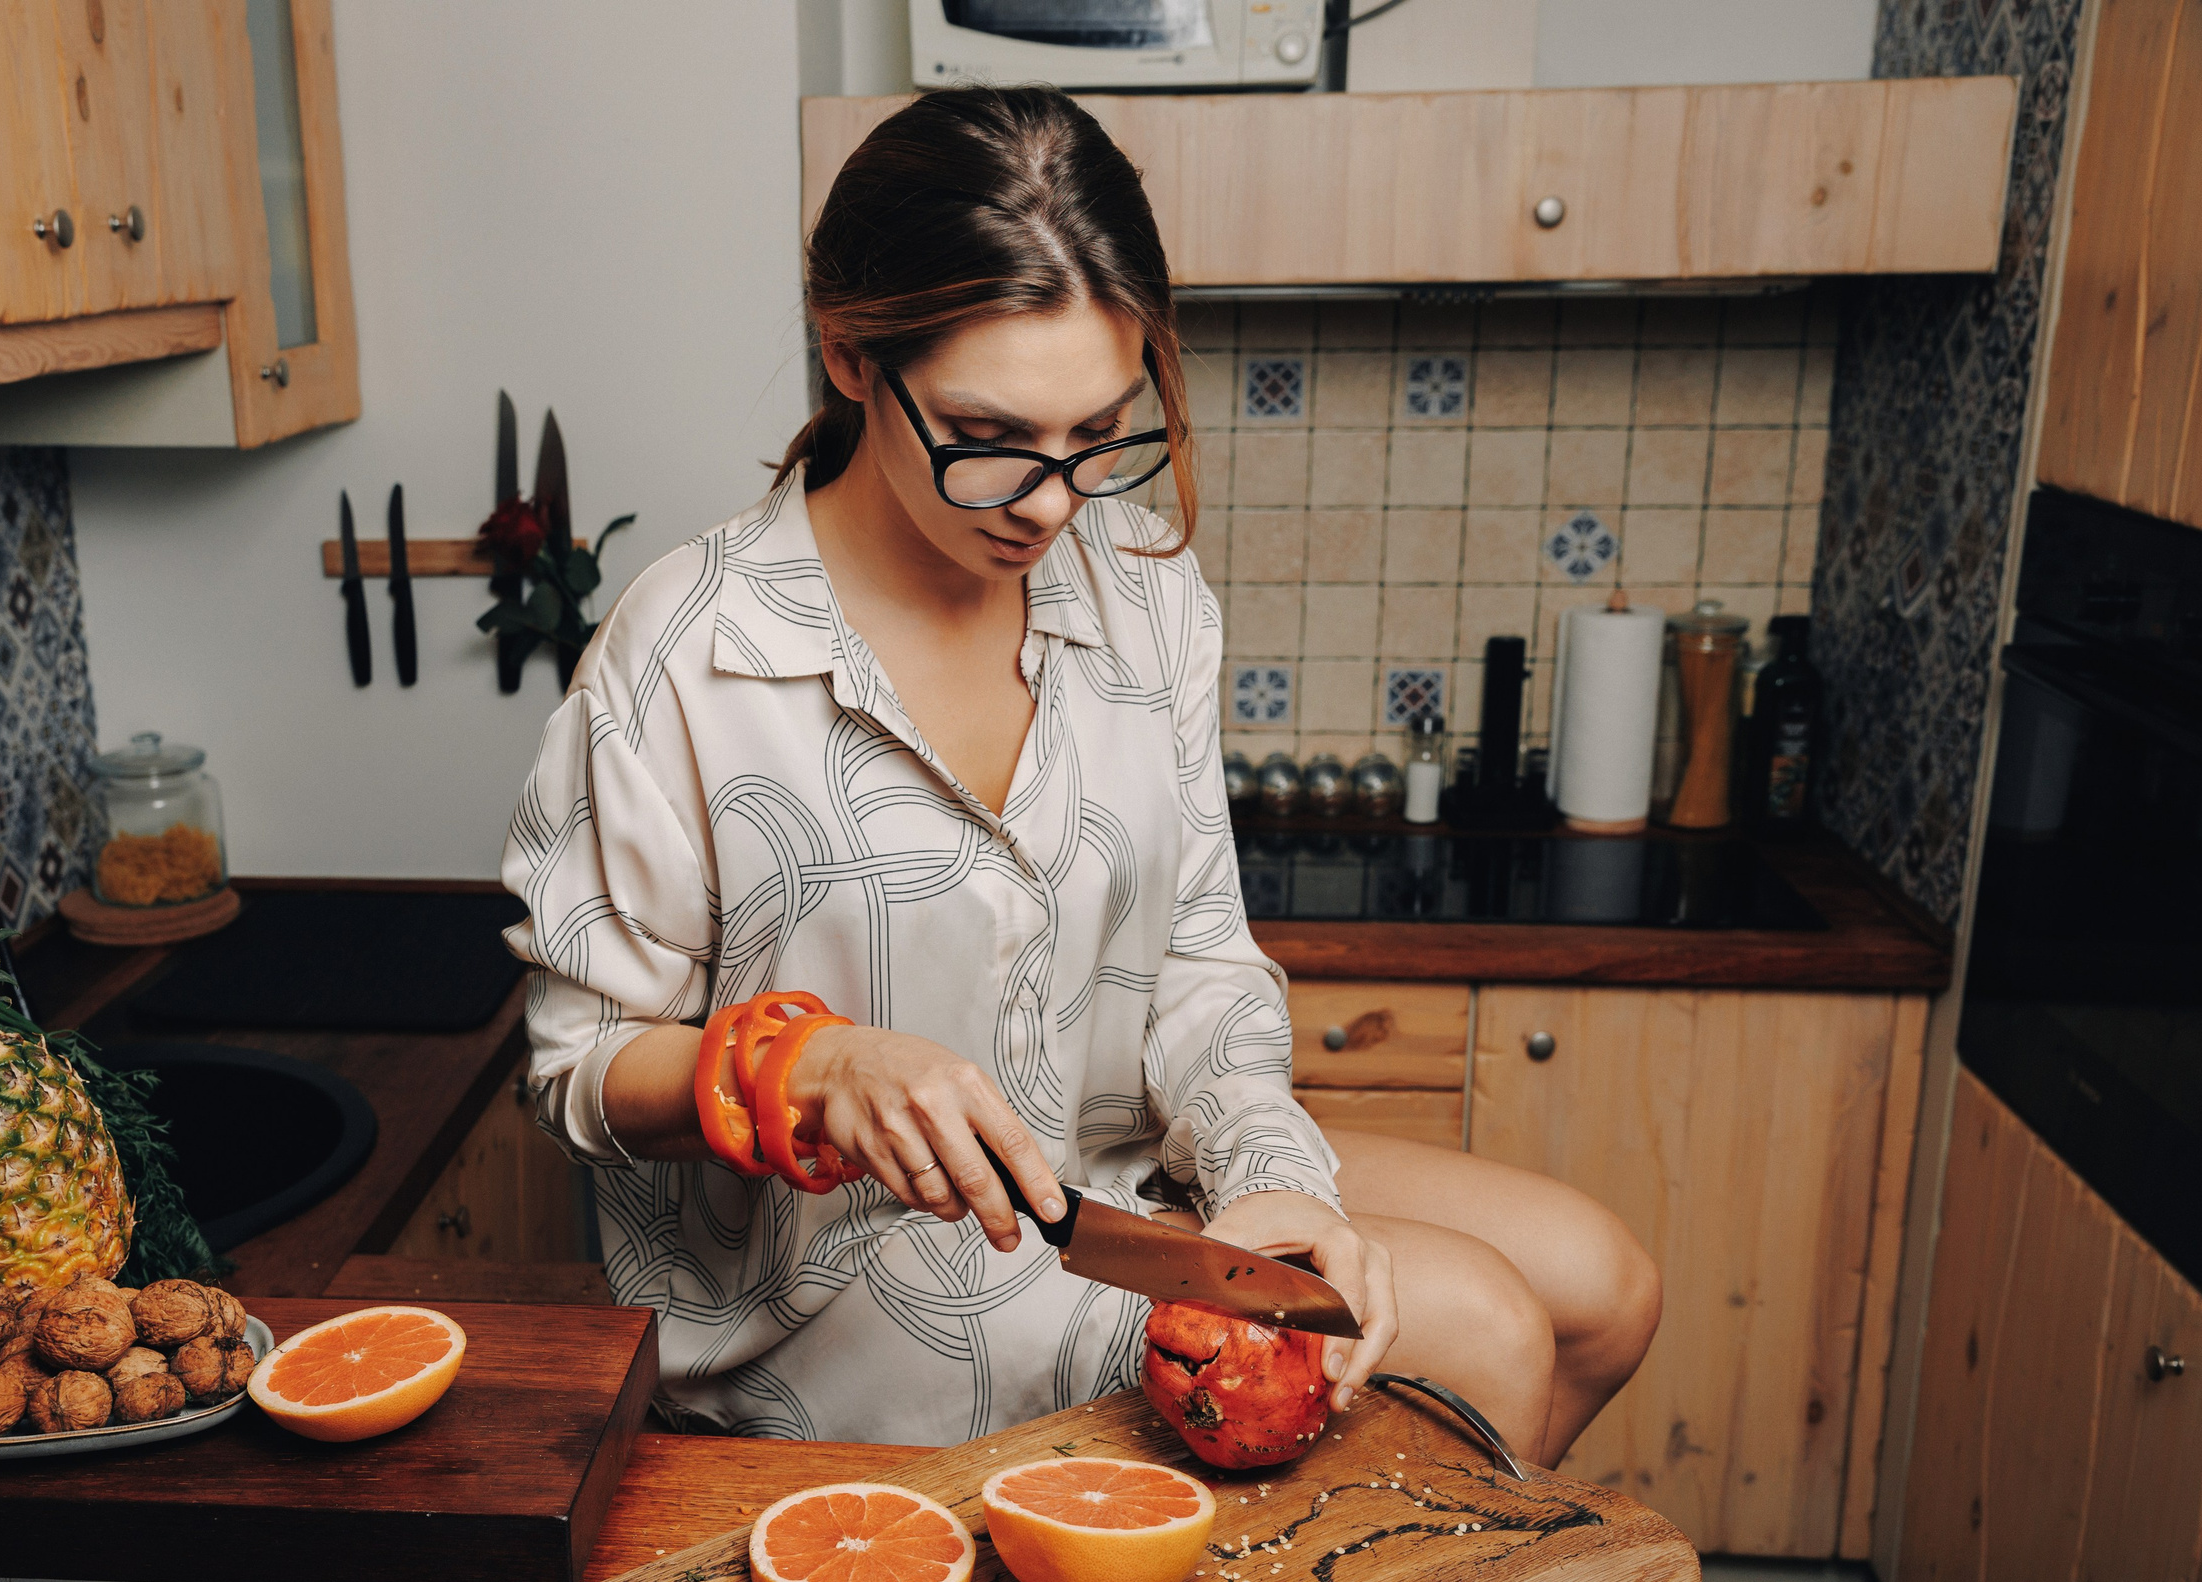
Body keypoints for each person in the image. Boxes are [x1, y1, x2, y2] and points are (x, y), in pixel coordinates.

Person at [502, 88, 1658, 1475]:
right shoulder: (683, 652)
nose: (1053, 502)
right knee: (1484, 1328)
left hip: (1111, 1180)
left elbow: (1199, 962)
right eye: (990, 434)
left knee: (1603, 1289)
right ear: (852, 358)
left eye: (1099, 431)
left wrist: (1271, 1177)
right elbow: (574, 1071)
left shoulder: (1144, 587)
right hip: (847, 1287)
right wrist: (808, 1067)